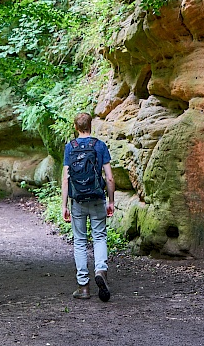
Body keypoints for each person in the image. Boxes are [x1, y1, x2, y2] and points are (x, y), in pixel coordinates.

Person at [61, 112, 115, 302]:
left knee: (80, 241)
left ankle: (83, 286)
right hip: (97, 198)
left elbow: (66, 179)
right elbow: (109, 177)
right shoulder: (99, 146)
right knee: (99, 236)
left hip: (78, 201)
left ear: (76, 127)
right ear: (91, 126)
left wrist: (64, 205)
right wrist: (111, 201)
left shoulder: (70, 147)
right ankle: (101, 270)